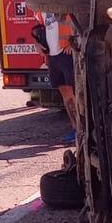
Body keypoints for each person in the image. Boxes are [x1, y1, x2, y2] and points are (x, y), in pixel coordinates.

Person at [33, 12, 78, 144]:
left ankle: (82, 129)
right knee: (65, 94)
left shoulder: (64, 7)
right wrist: (37, 44)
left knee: (73, 93)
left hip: (65, 53)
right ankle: (75, 128)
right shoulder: (41, 11)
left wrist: (73, 42)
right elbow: (36, 29)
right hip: (52, 57)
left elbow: (80, 25)